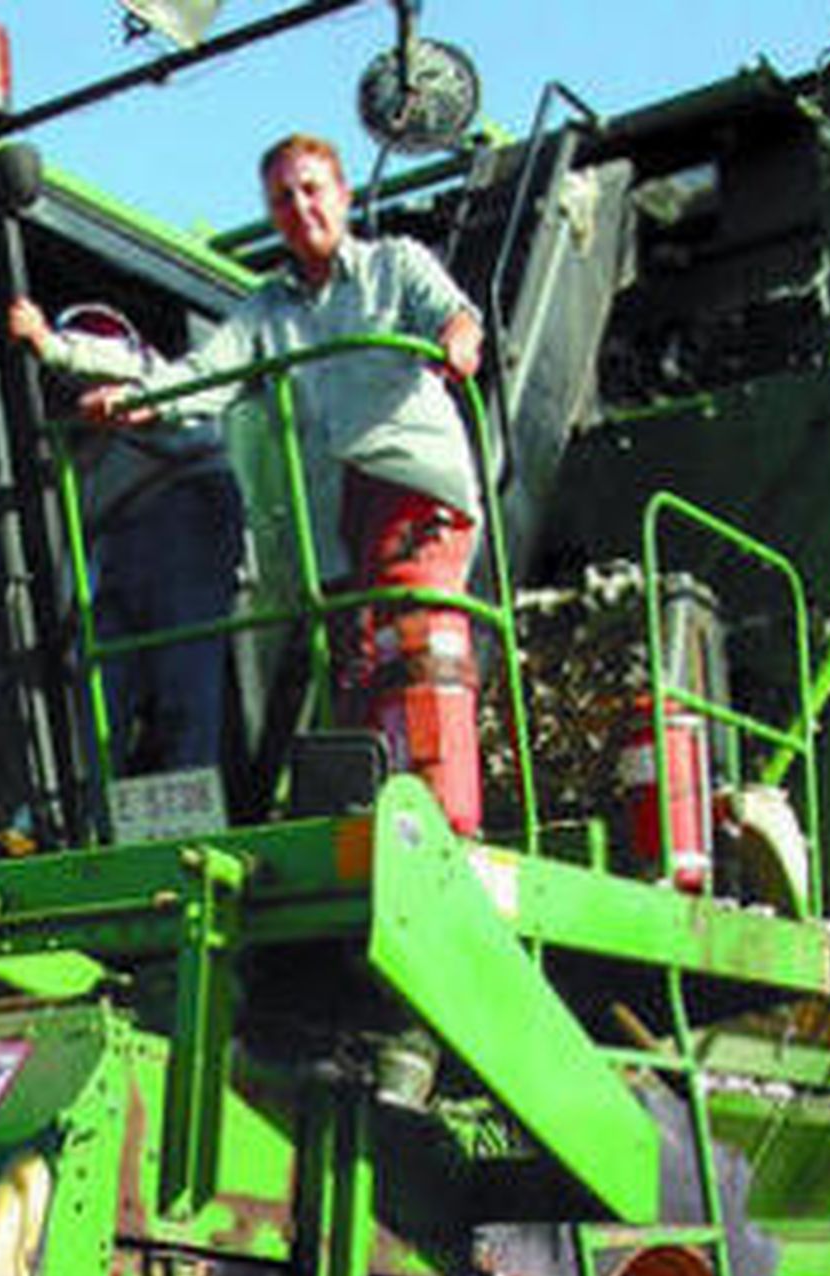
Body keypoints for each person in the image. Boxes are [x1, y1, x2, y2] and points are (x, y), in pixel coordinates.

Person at [82, 133, 486, 835]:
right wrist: (137, 397)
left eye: (311, 189)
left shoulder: (397, 264)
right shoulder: (266, 309)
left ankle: (442, 822)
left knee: (411, 630)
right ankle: (372, 811)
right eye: (282, 198)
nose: (299, 207)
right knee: (354, 660)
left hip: (408, 479)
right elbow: (208, 372)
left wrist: (458, 339)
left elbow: (452, 313)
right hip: (331, 516)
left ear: (344, 194)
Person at [9, 296, 244, 780]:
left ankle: (190, 816)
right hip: (120, 543)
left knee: (184, 680)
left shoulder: (131, 365)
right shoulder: (71, 447)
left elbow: (113, 359)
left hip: (185, 512)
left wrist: (48, 345)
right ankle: (101, 815)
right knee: (101, 694)